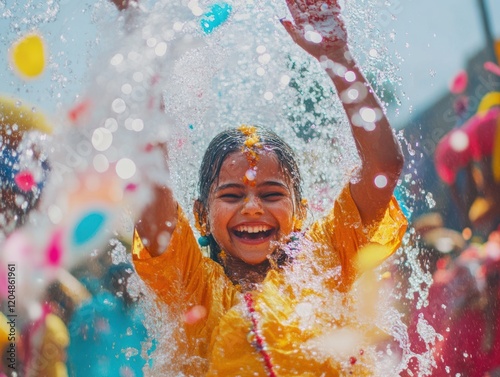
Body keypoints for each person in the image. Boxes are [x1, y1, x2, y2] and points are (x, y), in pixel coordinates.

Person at [127, 0, 407, 375]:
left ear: (302, 211)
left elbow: (383, 167)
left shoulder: (324, 262)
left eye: (272, 193)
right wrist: (147, 66)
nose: (253, 208)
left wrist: (337, 58)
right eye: (231, 195)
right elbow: (153, 200)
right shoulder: (192, 285)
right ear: (200, 215)